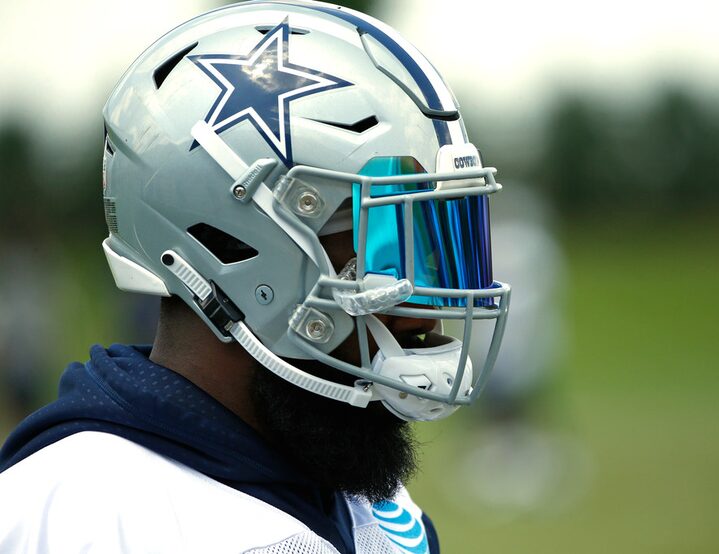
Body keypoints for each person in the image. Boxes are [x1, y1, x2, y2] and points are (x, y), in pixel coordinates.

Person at [0, 2, 511, 553]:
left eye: (438, 244)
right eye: (391, 248)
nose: (427, 311)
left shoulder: (376, 509)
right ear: (233, 246)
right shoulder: (75, 518)